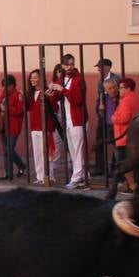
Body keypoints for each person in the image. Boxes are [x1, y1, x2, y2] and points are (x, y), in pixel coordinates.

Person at [53, 54, 90, 189]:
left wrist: (63, 90)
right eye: (67, 64)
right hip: (67, 119)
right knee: (73, 149)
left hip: (78, 118)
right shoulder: (61, 79)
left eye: (72, 64)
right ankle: (83, 175)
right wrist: (52, 91)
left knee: (78, 148)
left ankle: (77, 177)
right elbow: (56, 98)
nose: (70, 67)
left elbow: (77, 100)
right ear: (62, 65)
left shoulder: (79, 79)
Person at [26, 68, 62, 184]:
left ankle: (49, 176)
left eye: (35, 77)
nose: (33, 80)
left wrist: (50, 98)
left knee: (46, 153)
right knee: (37, 153)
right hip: (34, 126)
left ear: (41, 79)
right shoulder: (31, 93)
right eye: (31, 78)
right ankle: (40, 176)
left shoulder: (48, 91)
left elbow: (55, 108)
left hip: (45, 126)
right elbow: (27, 108)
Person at [111, 78, 139, 193]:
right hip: (135, 134)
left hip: (123, 135)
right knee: (136, 162)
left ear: (127, 89)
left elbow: (125, 118)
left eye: (121, 88)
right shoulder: (137, 98)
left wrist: (114, 117)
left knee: (124, 163)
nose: (119, 90)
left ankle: (132, 185)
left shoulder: (126, 100)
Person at [0, 74, 28, 180]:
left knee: (9, 149)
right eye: (4, 86)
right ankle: (8, 173)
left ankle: (21, 166)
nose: (5, 88)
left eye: (8, 86)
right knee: (6, 150)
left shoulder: (18, 94)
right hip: (3, 124)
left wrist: (6, 108)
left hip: (13, 125)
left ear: (13, 85)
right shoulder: (3, 94)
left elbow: (20, 111)